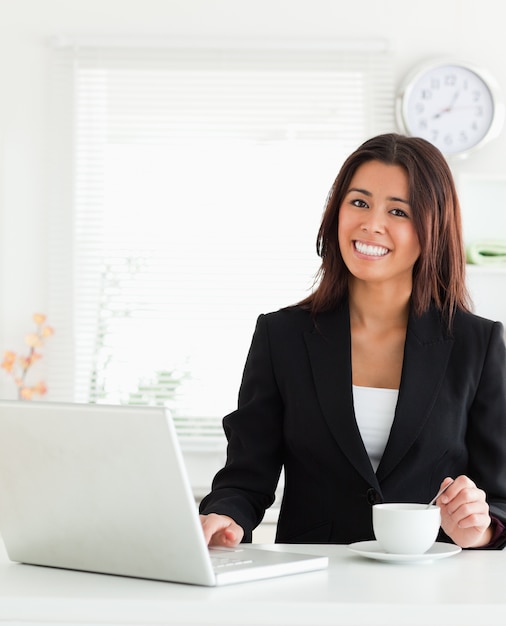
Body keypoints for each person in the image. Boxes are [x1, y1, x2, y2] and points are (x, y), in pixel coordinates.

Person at [199, 133, 506, 550]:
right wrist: (225, 516)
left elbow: (500, 498)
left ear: (432, 228)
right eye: (359, 202)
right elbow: (244, 476)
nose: (371, 224)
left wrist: (480, 528)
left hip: (433, 587)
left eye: (398, 210)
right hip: (315, 585)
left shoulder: (478, 343)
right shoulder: (281, 336)